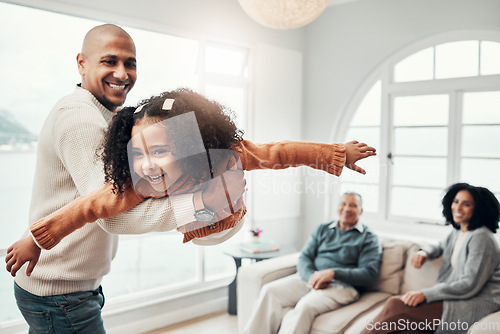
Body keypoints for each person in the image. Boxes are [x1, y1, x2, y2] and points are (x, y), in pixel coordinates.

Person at [7, 24, 247, 334]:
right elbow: (110, 214)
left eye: (130, 63)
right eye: (110, 61)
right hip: (59, 294)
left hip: (66, 289)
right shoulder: (79, 118)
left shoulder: (113, 119)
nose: (122, 73)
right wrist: (203, 202)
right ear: (81, 63)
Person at [6, 88, 378, 276]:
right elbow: (84, 209)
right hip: (198, 218)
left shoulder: (228, 153)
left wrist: (337, 153)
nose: (147, 165)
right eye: (137, 154)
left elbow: (278, 153)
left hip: (231, 212)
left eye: (161, 151)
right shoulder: (133, 186)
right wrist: (35, 240)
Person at [362, 183, 500, 334]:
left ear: (479, 209)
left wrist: (426, 293)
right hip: (457, 299)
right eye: (456, 201)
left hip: (474, 304)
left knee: (396, 304)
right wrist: (424, 252)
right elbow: (440, 246)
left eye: (466, 204)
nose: (458, 208)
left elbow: (469, 284)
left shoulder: (481, 238)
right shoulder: (460, 230)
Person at [244, 192, 383, 334]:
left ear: (361, 211)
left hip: (341, 286)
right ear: (338, 207)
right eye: (343, 203)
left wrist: (332, 273)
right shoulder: (323, 229)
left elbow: (369, 274)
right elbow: (304, 257)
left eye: (353, 205)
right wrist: (311, 277)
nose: (346, 208)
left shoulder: (369, 238)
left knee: (305, 306)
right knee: (269, 291)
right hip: (310, 278)